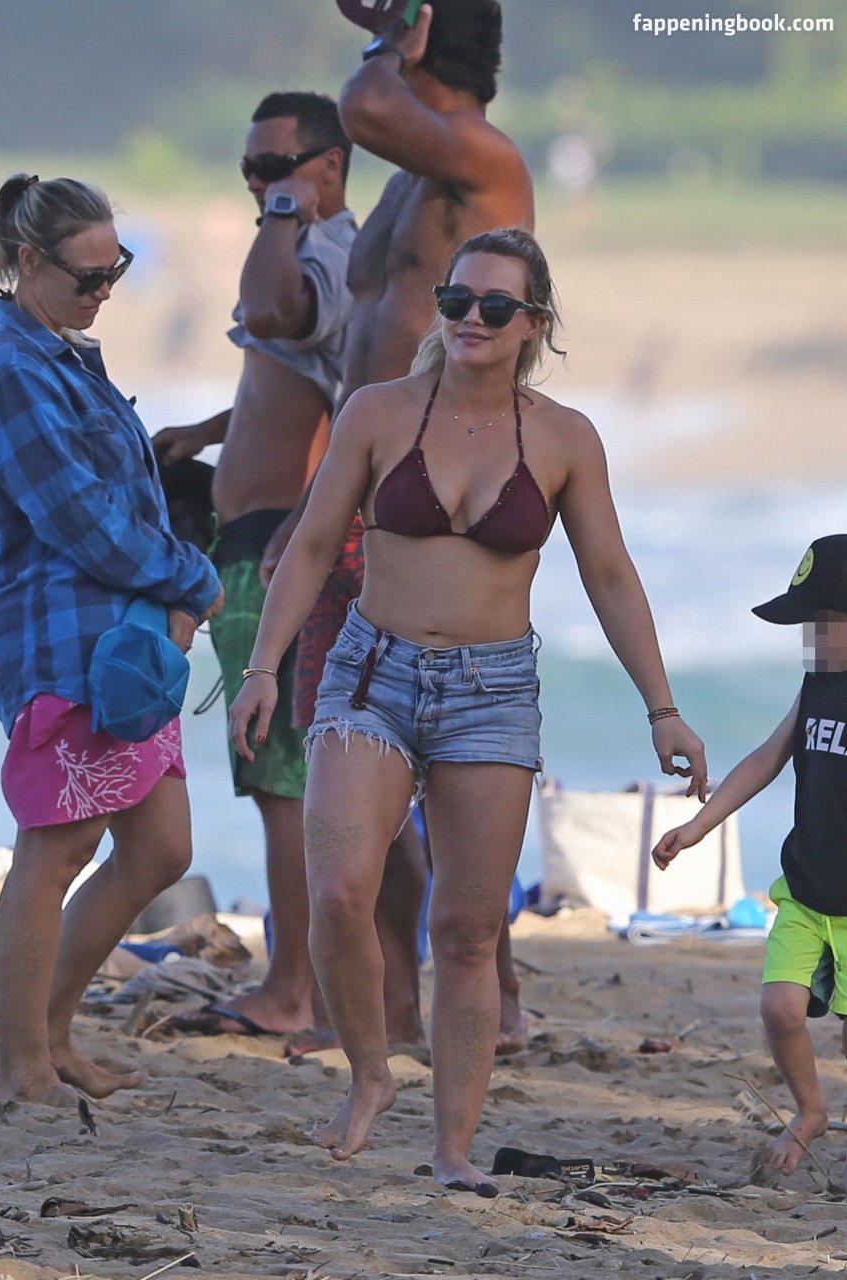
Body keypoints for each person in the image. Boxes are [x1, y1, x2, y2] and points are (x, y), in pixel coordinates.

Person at [229, 227, 707, 1192]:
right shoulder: (378, 411)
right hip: (371, 672)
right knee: (338, 894)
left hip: (492, 692)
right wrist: (263, 667)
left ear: (534, 323)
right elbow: (313, 544)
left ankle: (452, 1149)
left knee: (467, 931)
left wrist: (661, 707)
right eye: (456, 301)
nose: (470, 320)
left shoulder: (565, 438)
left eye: (494, 306)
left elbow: (610, 574)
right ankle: (370, 1073)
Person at [269, 0, 537, 1055]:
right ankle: (387, 1007)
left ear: (424, 35)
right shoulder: (405, 187)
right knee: (350, 750)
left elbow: (366, 105)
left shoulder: (481, 162)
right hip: (360, 495)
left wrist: (393, 38)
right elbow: (357, 354)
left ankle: (493, 995)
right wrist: (315, 498)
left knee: (452, 764)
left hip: (435, 501)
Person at [0, 173, 223, 1104]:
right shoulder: (11, 364)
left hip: (125, 639)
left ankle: (50, 1038)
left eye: (115, 270)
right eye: (87, 276)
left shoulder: (61, 351)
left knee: (160, 849)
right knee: (55, 851)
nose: (104, 291)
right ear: (27, 260)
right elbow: (77, 516)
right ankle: (20, 1064)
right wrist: (193, 579)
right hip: (65, 639)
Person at [152, 92, 356, 1041]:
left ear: (329, 168)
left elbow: (271, 312)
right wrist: (209, 432)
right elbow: (298, 381)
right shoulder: (318, 253)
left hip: (282, 545)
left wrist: (282, 214)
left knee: (282, 782)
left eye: (277, 168)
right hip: (258, 536)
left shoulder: (326, 252)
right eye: (250, 171)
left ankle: (292, 991)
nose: (260, 186)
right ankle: (311, 982)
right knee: (283, 775)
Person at [653, 534, 847, 1178]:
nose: (811, 640)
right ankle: (810, 1109)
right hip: (807, 888)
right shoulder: (816, 684)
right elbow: (767, 758)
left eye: (822, 624)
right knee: (779, 1008)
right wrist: (699, 826)